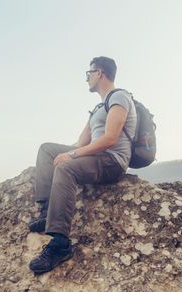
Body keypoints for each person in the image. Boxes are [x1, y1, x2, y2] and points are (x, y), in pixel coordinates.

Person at [28, 56, 137, 274]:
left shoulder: (120, 98)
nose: (86, 78)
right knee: (47, 149)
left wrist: (72, 155)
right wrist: (69, 152)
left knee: (65, 167)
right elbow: (81, 142)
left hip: (112, 161)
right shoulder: (98, 107)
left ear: (100, 73)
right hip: (95, 157)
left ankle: (60, 245)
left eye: (89, 73)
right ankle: (46, 212)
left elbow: (110, 139)